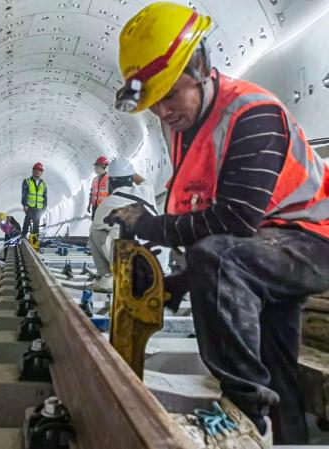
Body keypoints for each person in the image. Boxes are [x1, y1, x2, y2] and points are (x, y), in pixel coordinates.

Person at [107, 2, 329, 447]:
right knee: (277, 366)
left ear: (202, 67)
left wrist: (153, 227)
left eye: (171, 95)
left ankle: (244, 414)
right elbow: (213, 222)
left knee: (216, 257)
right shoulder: (184, 125)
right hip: (266, 251)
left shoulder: (251, 113)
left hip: (312, 242)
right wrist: (176, 284)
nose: (163, 111)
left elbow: (235, 220)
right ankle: (284, 437)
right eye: (154, 102)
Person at [89, 158, 167, 292]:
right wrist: (129, 171)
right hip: (158, 266)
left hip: (130, 267)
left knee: (94, 232)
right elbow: (143, 181)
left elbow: (97, 228)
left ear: (110, 182)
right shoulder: (146, 191)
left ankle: (107, 279)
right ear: (130, 178)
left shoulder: (107, 204)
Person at [21, 162, 47, 238]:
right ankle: (23, 236)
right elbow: (24, 194)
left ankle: (35, 239)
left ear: (41, 172)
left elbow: (45, 197)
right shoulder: (27, 181)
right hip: (29, 206)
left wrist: (44, 208)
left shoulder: (43, 184)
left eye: (39, 170)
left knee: (36, 224)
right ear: (33, 171)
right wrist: (25, 204)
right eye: (35, 170)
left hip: (39, 207)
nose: (37, 172)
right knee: (27, 221)